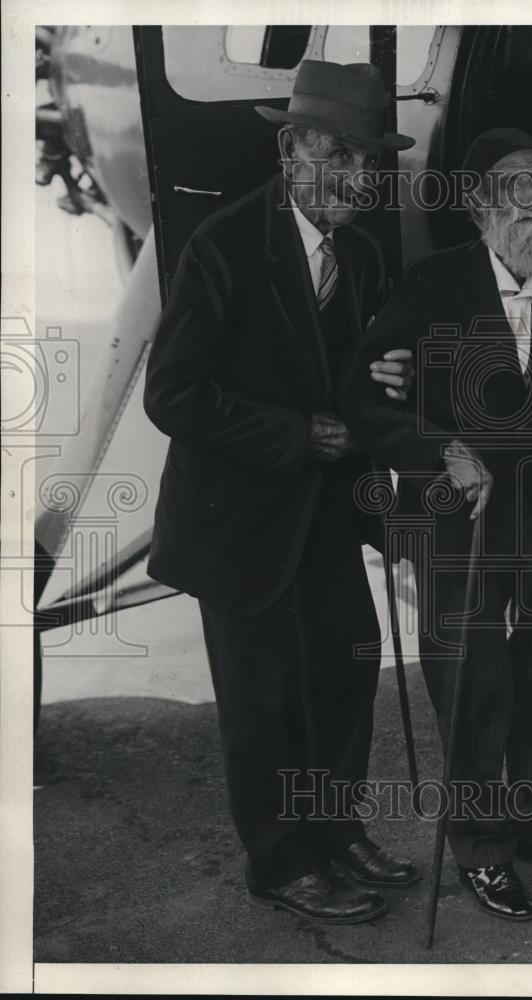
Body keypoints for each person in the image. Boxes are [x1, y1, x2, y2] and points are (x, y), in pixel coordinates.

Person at [143, 60, 422, 925]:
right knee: (260, 706)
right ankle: (279, 861)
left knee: (343, 670)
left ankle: (336, 833)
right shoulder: (224, 246)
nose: (357, 177)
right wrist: (293, 434)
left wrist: (385, 379)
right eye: (336, 155)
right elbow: (173, 395)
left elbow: (356, 384)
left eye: (370, 160)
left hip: (327, 518)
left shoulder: (366, 254)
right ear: (289, 148)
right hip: (239, 523)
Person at [340, 128, 532, 922]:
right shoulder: (433, 283)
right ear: (478, 206)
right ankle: (479, 847)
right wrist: (440, 449)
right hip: (453, 513)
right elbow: (367, 397)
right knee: (475, 681)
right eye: (513, 184)